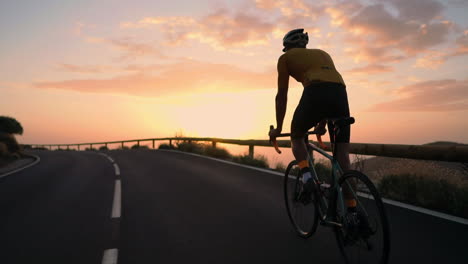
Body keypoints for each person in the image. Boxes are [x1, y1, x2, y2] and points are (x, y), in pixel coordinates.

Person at [268, 28, 355, 210]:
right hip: (340, 93)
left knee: (297, 137)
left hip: (315, 91)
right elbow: (329, 87)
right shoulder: (323, 54)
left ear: (287, 47)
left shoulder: (284, 59)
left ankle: (307, 178)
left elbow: (281, 96)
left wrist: (278, 128)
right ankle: (352, 211)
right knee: (343, 158)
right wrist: (322, 123)